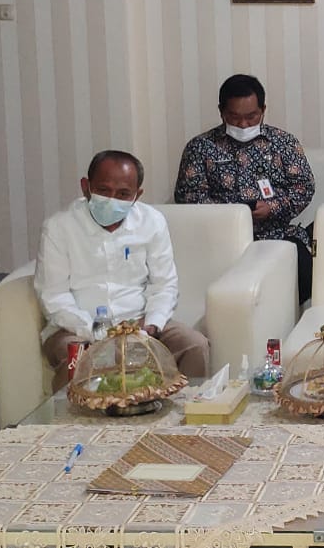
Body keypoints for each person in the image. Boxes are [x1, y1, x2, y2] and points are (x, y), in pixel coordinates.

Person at [35, 150, 209, 390]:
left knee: (195, 346)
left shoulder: (152, 221)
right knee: (79, 356)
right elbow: (54, 296)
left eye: (123, 194)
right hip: (77, 329)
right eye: (103, 190)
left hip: (139, 323)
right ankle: (74, 415)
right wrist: (97, 333)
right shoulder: (59, 227)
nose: (112, 199)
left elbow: (164, 285)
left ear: (137, 195)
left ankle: (185, 409)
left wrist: (151, 325)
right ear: (86, 187)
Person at [174, 74, 316, 302]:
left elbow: (304, 186)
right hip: (219, 240)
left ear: (263, 110)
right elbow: (188, 196)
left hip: (276, 236)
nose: (243, 125)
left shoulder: (283, 143)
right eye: (234, 117)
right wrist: (235, 214)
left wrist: (272, 207)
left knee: (304, 270)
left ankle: (283, 316)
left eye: (251, 117)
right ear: (221, 111)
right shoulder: (200, 147)